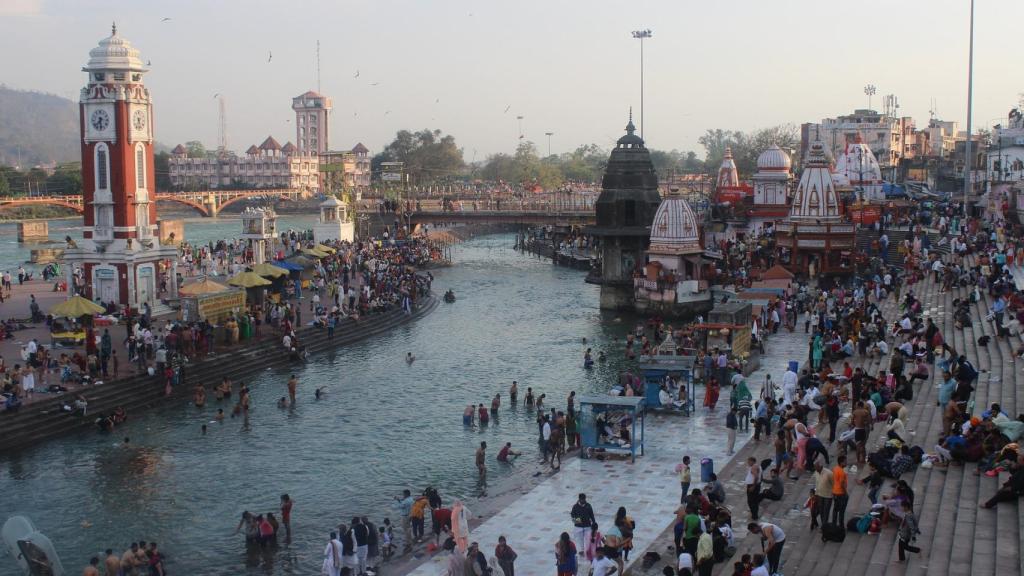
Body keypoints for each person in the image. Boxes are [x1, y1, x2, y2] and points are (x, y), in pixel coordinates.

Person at [812, 461, 834, 528]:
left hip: (828, 495)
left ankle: (824, 526)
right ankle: (823, 524)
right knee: (821, 510)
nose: (815, 469)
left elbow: (834, 484)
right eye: (815, 467)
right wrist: (816, 494)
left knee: (826, 511)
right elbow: (817, 483)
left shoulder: (829, 473)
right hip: (820, 495)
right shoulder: (816, 472)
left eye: (816, 467)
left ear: (820, 466)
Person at [832, 455, 849, 526]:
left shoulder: (835, 469)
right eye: (845, 462)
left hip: (835, 492)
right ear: (841, 463)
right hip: (841, 493)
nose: (846, 463)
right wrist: (845, 493)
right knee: (842, 510)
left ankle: (834, 524)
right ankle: (841, 525)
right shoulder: (841, 472)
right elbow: (842, 484)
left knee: (835, 509)